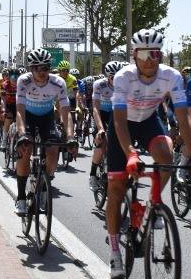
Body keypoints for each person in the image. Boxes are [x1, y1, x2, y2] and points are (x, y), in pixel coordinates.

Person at [106, 30, 191, 279]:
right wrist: (131, 154)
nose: (149, 60)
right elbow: (119, 121)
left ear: (160, 55)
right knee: (116, 188)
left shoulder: (171, 76)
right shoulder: (124, 77)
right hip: (123, 125)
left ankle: (152, 204)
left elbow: (183, 115)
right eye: (143, 54)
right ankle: (114, 251)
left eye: (154, 54)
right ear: (134, 55)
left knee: (166, 157)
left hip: (148, 121)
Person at [14, 49, 75, 216]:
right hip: (28, 116)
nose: (41, 72)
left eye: (45, 68)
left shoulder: (58, 82)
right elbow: (19, 110)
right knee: (25, 150)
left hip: (46, 117)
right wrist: (22, 133)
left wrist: (70, 136)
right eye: (36, 68)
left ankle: (43, 185)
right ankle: (21, 197)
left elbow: (65, 111)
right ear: (30, 68)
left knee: (54, 150)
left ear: (50, 68)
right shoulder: (23, 80)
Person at [90, 62, 124, 189]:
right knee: (101, 142)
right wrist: (100, 129)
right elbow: (95, 109)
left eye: (118, 77)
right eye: (112, 77)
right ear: (107, 77)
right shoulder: (99, 84)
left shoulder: (125, 85)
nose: (116, 80)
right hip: (101, 113)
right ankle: (93, 174)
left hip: (115, 113)